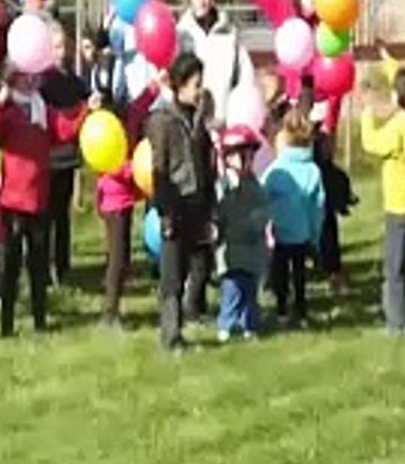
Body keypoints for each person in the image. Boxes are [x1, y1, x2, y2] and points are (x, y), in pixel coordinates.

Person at [0, 64, 94, 337]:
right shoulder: (8, 112)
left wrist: (86, 110)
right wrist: (0, 103)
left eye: (35, 76)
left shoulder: (41, 110)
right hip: (13, 201)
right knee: (10, 265)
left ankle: (39, 319)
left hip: (39, 198)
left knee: (38, 263)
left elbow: (64, 129)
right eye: (26, 77)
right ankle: (7, 324)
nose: (33, 81)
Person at [236, 0, 340, 135]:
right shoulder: (283, 9)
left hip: (318, 112)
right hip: (289, 107)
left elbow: (337, 75)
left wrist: (330, 122)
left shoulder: (329, 22)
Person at [146, 53, 216, 351]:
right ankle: (171, 336)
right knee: (172, 276)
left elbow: (204, 157)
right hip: (175, 203)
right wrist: (164, 211)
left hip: (198, 200)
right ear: (180, 85)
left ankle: (190, 317)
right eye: (196, 84)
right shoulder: (162, 121)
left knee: (200, 262)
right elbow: (159, 169)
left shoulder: (197, 117)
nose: (200, 90)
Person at [362, 66, 405, 333]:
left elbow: (372, 143)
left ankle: (397, 323)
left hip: (397, 205)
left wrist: (368, 112)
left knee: (394, 269)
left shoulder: (399, 128)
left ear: (399, 97)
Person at [95, 75, 162, 329]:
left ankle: (112, 311)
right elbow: (110, 165)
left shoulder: (127, 118)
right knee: (117, 258)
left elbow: (139, 106)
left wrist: (156, 85)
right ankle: (109, 314)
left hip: (123, 200)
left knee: (122, 258)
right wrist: (132, 168)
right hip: (113, 203)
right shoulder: (103, 132)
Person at [262, 107, 325, 329]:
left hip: (280, 232)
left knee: (280, 272)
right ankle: (301, 310)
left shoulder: (276, 170)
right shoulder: (313, 171)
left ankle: (281, 309)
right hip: (302, 233)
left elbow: (262, 198)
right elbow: (318, 206)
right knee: (299, 273)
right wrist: (315, 235)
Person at [39, 20, 92, 286]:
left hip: (68, 158)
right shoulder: (43, 82)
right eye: (56, 47)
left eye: (64, 46)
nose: (61, 52)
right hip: (50, 159)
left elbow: (87, 95)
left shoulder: (73, 79)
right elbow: (58, 122)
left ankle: (62, 265)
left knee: (62, 216)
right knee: (47, 216)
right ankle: (44, 266)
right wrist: (83, 110)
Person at [212, 125, 272, 343]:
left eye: (250, 155)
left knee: (249, 291)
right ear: (227, 157)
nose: (247, 160)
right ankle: (226, 324)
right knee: (232, 290)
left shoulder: (254, 185)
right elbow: (218, 211)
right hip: (231, 250)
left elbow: (264, 207)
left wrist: (258, 222)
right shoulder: (224, 185)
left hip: (252, 249)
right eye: (241, 155)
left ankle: (250, 325)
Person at [175, 0, 256, 127]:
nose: (203, 1)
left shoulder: (229, 33)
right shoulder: (181, 33)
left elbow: (246, 74)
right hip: (191, 122)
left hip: (223, 119)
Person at [314, 132, 356, 296]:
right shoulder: (317, 169)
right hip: (320, 209)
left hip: (326, 209)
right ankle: (334, 275)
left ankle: (334, 273)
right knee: (327, 241)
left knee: (329, 241)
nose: (332, 148)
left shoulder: (331, 170)